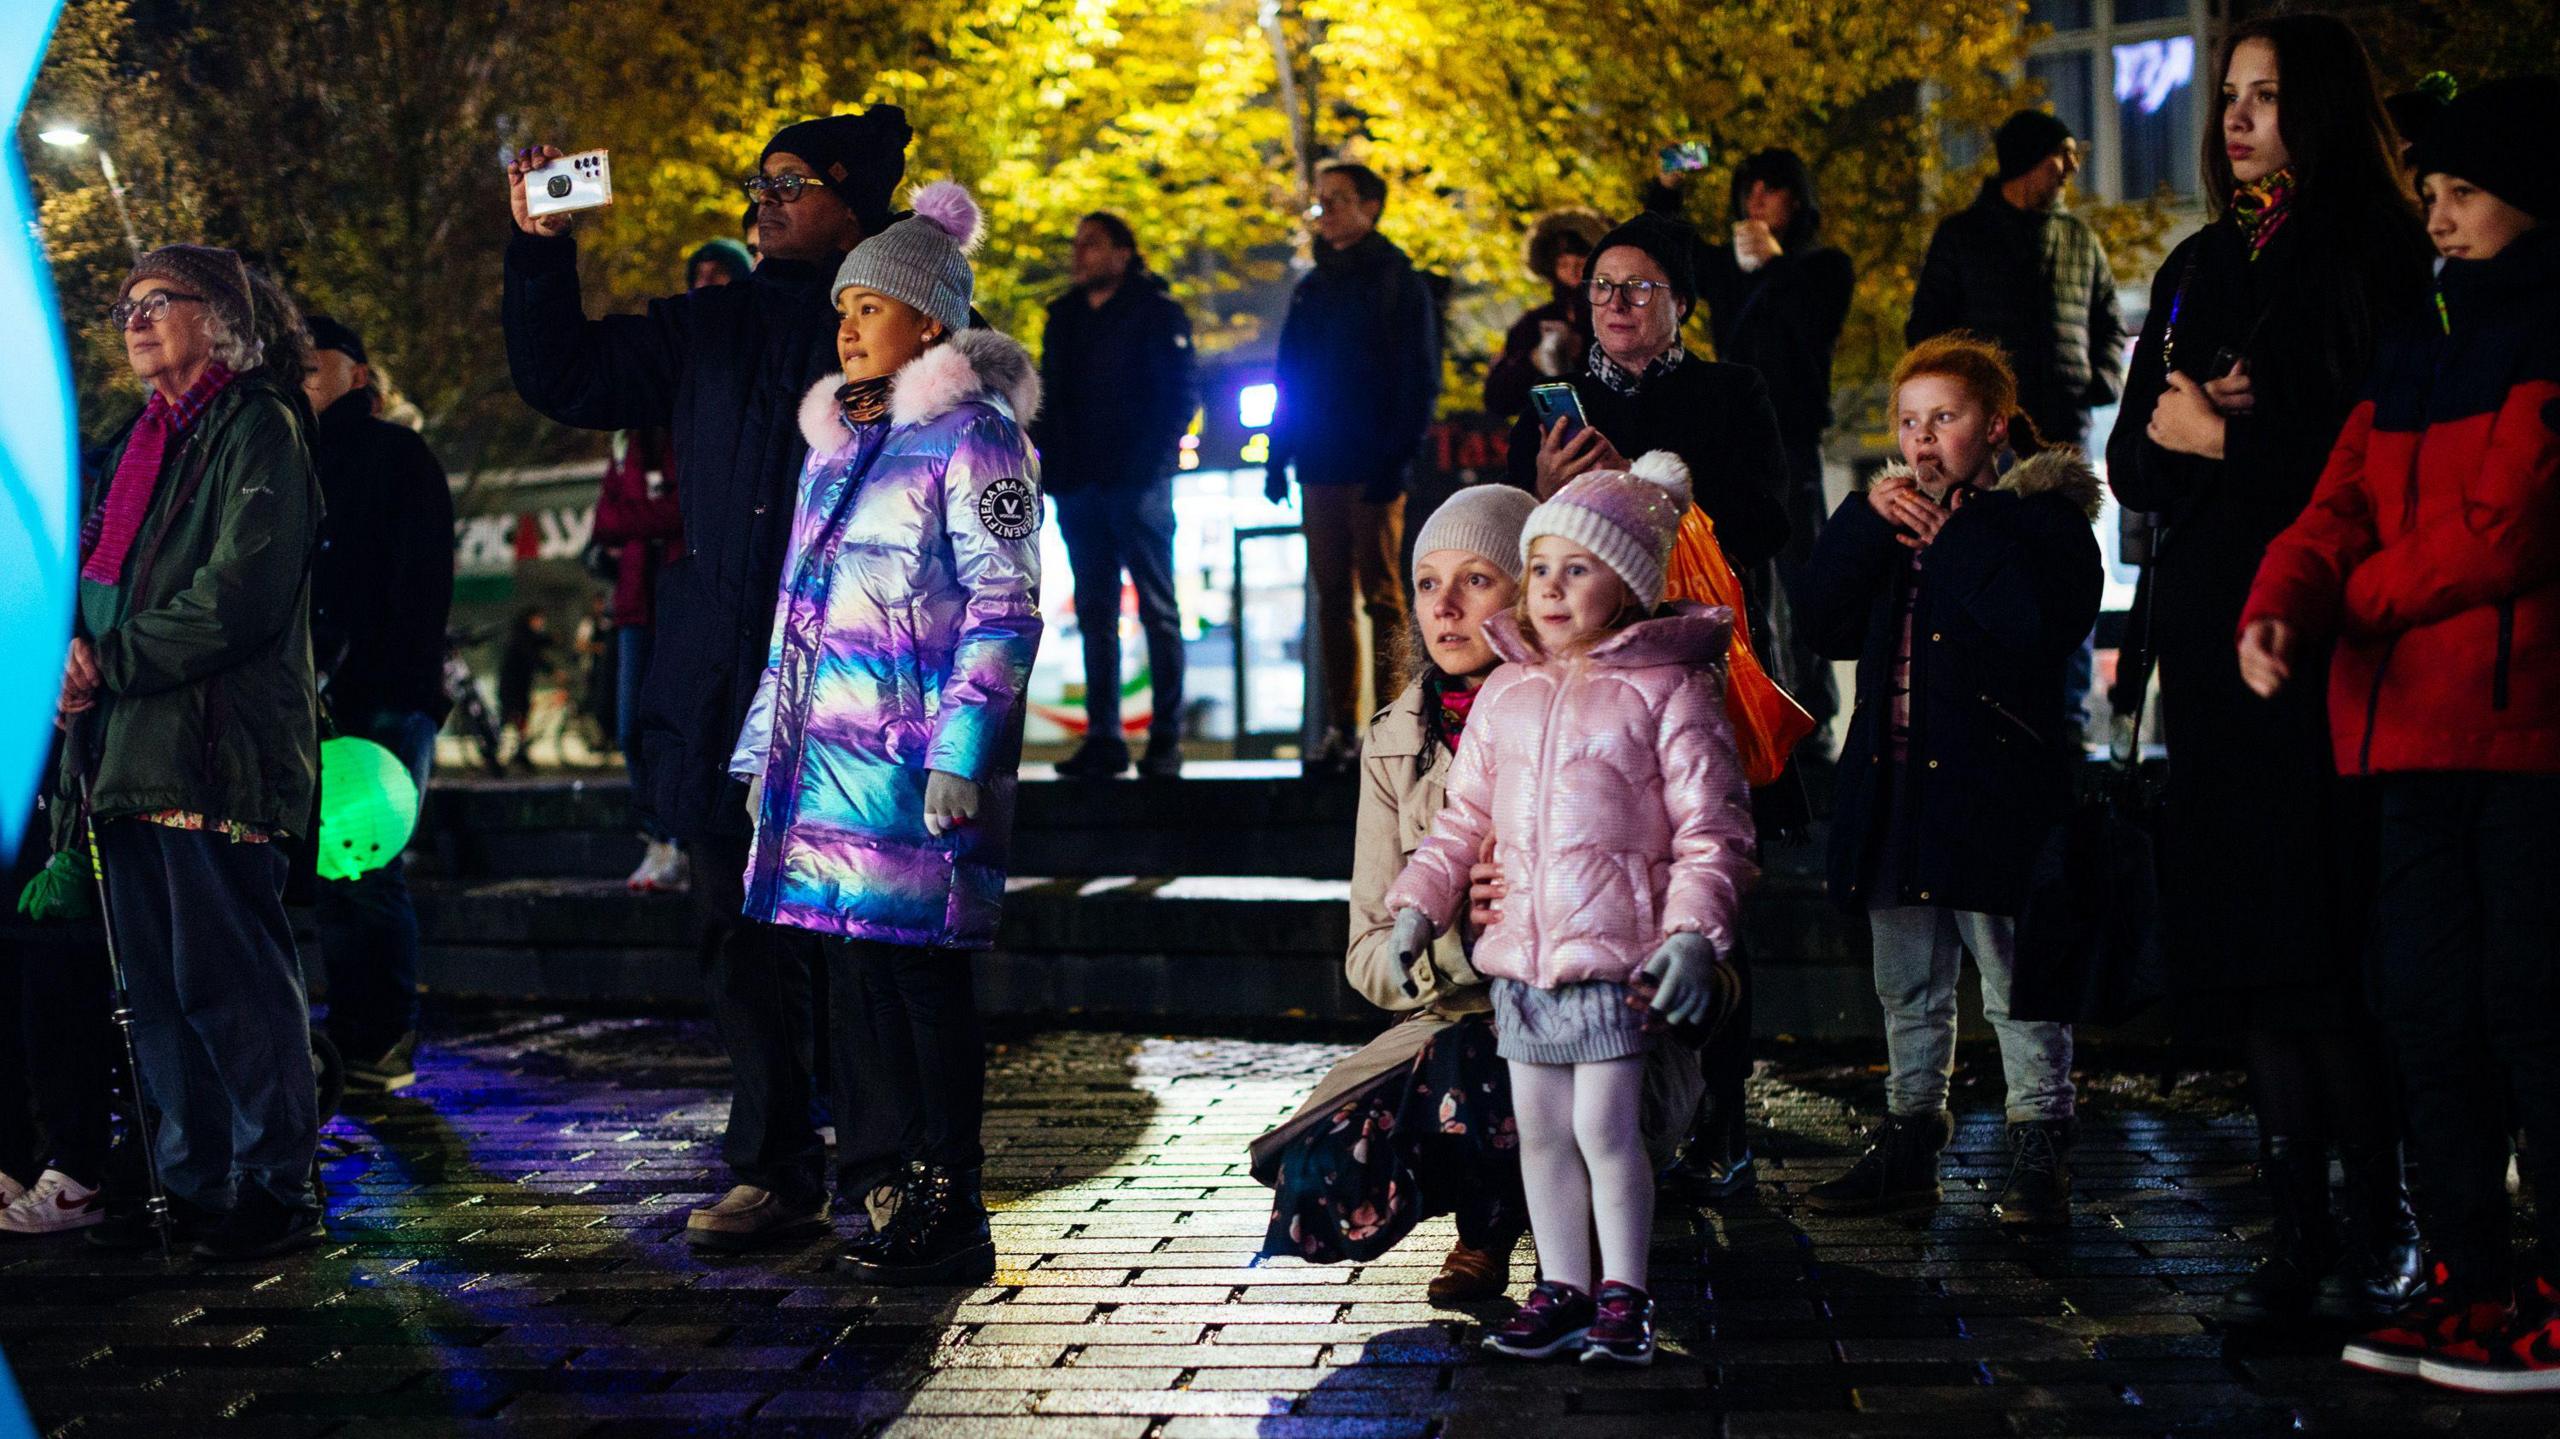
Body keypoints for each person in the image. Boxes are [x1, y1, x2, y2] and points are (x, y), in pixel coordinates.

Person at [504, 107, 914, 1249]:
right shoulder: (712, 323)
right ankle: (775, 1164)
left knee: (853, 941)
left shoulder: (901, 323)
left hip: (847, 683)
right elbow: (565, 373)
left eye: (789, 182)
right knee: (735, 929)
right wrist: (540, 247)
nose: (761, 200)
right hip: (719, 672)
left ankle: (885, 1169)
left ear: (850, 195)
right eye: (757, 182)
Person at [2107, 14, 2436, 1332]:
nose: (2238, 118)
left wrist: (2230, 436)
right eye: (2228, 95)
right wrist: (2186, 428)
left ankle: (2382, 1211)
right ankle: (2293, 1219)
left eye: (2267, 95)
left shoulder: (2376, 249)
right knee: (2255, 943)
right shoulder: (2201, 257)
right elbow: (2134, 455)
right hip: (2205, 625)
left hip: (2315, 639)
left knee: (2328, 933)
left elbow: (2370, 462)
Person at [2238, 75, 2560, 1392]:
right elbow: (2342, 498)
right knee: (2425, 1014)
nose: (2440, 215)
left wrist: (2346, 608)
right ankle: (2470, 1282)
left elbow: (2511, 522)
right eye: (2431, 195)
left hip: (2526, 735)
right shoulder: (2415, 338)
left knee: (2533, 1012)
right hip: (2409, 737)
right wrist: (2278, 600)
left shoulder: (2547, 329)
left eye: (2464, 193)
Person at [731, 181, 1042, 1287]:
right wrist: (762, 755)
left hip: (912, 775)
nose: (847, 324)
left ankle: (954, 1197)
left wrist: (962, 751)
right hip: (824, 776)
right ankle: (904, 1189)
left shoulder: (980, 440)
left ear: (929, 323)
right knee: (860, 987)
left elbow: (1005, 605)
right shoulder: (833, 448)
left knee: (924, 986)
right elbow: (794, 619)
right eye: (842, 308)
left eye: (870, 306)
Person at [1386, 451, 1755, 1367]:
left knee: (1605, 1128)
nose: (1548, 587)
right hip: (1521, 961)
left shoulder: (1670, 689)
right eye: (1539, 566)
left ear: (1627, 584)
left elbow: (1714, 830)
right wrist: (1416, 909)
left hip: (1612, 958)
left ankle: (1624, 1291)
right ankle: (1564, 1284)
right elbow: (1461, 825)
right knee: (1542, 1133)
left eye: (1576, 568)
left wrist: (1691, 937)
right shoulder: (1509, 692)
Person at [53, 245, 325, 1259]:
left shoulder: (257, 427)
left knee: (230, 980)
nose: (133, 318)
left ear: (222, 317)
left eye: (157, 300)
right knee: (157, 992)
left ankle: (272, 1183)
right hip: (126, 750)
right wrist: (65, 663)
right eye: (125, 304)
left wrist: (106, 659)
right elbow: (97, 578)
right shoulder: (138, 439)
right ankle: (194, 1182)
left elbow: (238, 595)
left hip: (216, 749)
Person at [1796, 334, 2102, 1228]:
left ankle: (2040, 1142)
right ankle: (1908, 1138)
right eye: (1909, 421)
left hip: (1993, 791)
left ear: (1994, 427)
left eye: (1946, 418)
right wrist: (1861, 522)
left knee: (2015, 979)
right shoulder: (1893, 525)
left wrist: (1960, 539)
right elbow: (1822, 622)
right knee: (1907, 979)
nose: (1924, 439)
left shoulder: (2042, 521)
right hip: (1895, 783)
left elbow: (2036, 630)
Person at [1910, 108, 2127, 745]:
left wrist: (2096, 382)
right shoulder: (1962, 237)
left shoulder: (2080, 239)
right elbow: (1927, 329)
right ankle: (1993, 720)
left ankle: (2066, 721)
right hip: (1982, 442)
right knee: (1988, 566)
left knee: (2066, 570)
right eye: (2060, 154)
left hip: (2061, 430)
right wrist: (1963, 404)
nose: (2070, 169)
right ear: (2027, 160)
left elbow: (2109, 322)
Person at [1646, 148, 1857, 749]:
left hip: (1791, 438)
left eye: (1773, 190)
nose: (1757, 201)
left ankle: (1812, 719)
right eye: (1749, 190)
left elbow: (1813, 330)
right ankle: (1757, 717)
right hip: (1732, 438)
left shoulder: (1823, 267)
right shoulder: (1726, 269)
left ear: (1798, 199)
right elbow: (1668, 250)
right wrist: (1667, 189)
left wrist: (1777, 268)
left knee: (1802, 576)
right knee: (1737, 580)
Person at [303, 311, 454, 1094]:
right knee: (338, 870)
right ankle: (357, 1031)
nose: (297, 370)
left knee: (367, 863)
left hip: (384, 695)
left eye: (312, 358)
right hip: (320, 697)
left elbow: (419, 584)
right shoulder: (294, 457)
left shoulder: (397, 455)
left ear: (357, 373)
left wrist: (385, 671)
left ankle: (381, 1034)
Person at [1267, 161, 1443, 772]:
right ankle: (1342, 726)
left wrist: (1399, 456)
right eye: (1320, 203)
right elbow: (1289, 373)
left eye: (1338, 200)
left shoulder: (1397, 279)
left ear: (1371, 206)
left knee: (1384, 595)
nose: (1326, 213)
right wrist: (1277, 452)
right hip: (1319, 460)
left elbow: (1419, 376)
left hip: (1373, 462)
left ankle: (1394, 723)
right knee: (1330, 596)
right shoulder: (1312, 286)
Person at [1034, 212, 1198, 780]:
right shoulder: (1064, 318)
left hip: (1137, 483)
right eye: (1076, 243)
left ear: (1125, 253)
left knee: (1157, 609)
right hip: (1081, 484)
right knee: (1095, 611)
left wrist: (1149, 464)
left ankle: (1165, 740)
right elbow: (1047, 399)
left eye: (1093, 244)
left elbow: (1179, 395)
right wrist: (1054, 468)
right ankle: (1103, 737)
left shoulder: (1157, 313)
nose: (1080, 254)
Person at [595, 424, 685, 890]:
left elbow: (683, 510)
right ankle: (659, 837)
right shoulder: (625, 442)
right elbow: (604, 521)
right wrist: (651, 515)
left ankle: (678, 841)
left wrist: (633, 517)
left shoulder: (679, 429)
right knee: (631, 727)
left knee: (672, 726)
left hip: (677, 597)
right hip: (636, 604)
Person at [1481, 209, 1606, 419]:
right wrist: (1535, 360)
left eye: (1580, 263)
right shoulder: (1534, 322)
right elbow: (1495, 399)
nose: (1573, 272)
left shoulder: (1612, 313)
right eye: (1564, 264)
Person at [496, 607, 550, 771]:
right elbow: (533, 657)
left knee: (517, 722)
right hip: (513, 688)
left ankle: (518, 754)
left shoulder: (525, 637)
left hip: (517, 687)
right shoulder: (522, 639)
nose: (541, 624)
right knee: (511, 721)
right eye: (538, 619)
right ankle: (502, 754)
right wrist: (552, 671)